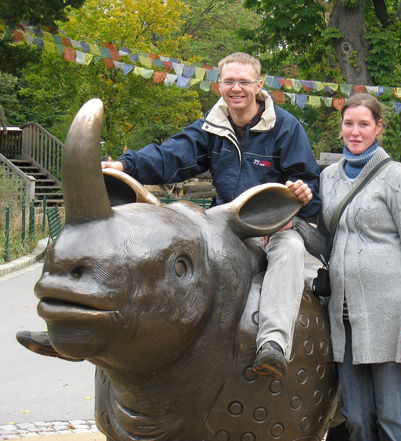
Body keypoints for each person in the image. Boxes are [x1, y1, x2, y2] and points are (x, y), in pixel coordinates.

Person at [18, 52, 321, 378]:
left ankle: (273, 342)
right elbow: (173, 155)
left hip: (273, 219)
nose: (236, 88)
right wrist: (125, 165)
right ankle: (74, 331)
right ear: (219, 84)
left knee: (288, 249)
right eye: (229, 81)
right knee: (163, 243)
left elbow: (309, 184)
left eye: (244, 82)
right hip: (227, 220)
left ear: (259, 85)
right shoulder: (212, 126)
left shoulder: (286, 127)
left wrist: (301, 195)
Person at [320, 93, 401, 441]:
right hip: (343, 316)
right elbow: (327, 241)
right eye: (349, 123)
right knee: (354, 418)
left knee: (392, 419)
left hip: (390, 316)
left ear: (378, 127)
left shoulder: (396, 176)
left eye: (364, 124)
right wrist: (284, 225)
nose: (355, 132)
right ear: (341, 128)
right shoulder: (328, 177)